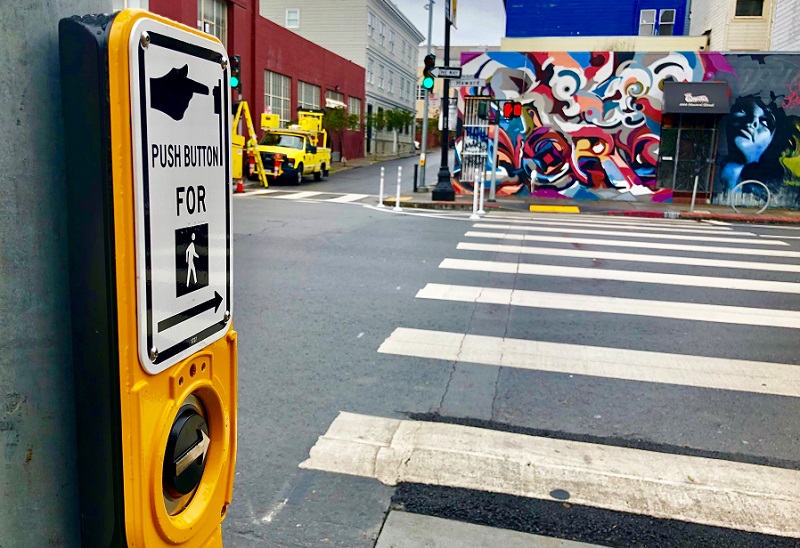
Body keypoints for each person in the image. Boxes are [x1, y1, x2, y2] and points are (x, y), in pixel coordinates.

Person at [720, 95, 782, 192]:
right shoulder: (709, 172)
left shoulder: (770, 189)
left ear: (772, 138)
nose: (753, 122)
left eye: (765, 122)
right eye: (743, 111)